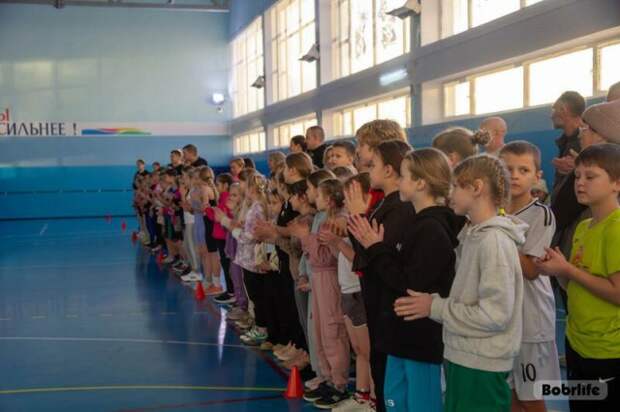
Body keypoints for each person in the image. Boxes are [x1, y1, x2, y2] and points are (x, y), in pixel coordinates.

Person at [394, 155, 526, 412]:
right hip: (463, 356)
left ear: (476, 188)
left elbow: (494, 315)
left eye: (456, 186)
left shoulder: (494, 242)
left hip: (481, 364)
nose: (449, 193)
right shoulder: (472, 236)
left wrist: (434, 307)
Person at [349, 148, 461, 412]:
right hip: (399, 335)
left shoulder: (432, 228)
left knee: (421, 403)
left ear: (420, 183)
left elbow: (409, 282)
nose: (399, 181)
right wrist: (376, 247)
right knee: (393, 399)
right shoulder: (417, 223)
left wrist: (376, 248)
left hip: (419, 338)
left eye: (404, 176)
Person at [536, 144, 620, 412]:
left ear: (617, 183)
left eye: (590, 176)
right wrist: (559, 270)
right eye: (577, 176)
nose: (580, 183)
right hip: (577, 342)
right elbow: (574, 285)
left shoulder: (616, 228)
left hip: (607, 351)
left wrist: (569, 270)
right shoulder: (584, 226)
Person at [345, 139, 415, 412]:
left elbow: (375, 255)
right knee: (380, 367)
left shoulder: (400, 208)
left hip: (389, 304)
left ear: (388, 170)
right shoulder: (386, 204)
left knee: (387, 373)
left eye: (372, 165)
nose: (367, 169)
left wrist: (357, 218)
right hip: (378, 301)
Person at [500, 142, 561, 412]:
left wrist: (499, 233)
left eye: (523, 170)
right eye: (507, 169)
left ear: (537, 176)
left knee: (531, 397)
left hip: (530, 322)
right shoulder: (492, 212)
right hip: (502, 319)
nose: (514, 175)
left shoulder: (541, 214)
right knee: (510, 395)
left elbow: (531, 270)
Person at [292, 177, 351, 409]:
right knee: (318, 331)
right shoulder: (321, 219)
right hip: (318, 279)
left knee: (332, 330)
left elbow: (324, 257)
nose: (314, 198)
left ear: (329, 200)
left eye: (318, 195)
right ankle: (327, 377)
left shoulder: (335, 221)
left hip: (329, 280)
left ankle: (339, 383)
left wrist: (305, 237)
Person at [550, 91, 585, 199]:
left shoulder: (587, 143)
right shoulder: (566, 142)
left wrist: (580, 168)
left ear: (563, 109)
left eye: (554, 110)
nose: (551, 116)